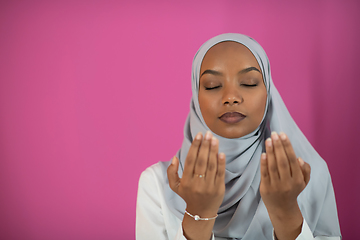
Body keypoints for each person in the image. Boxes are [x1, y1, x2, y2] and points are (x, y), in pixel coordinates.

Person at [136, 33, 341, 240]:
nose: (231, 97)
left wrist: (287, 214)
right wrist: (199, 214)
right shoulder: (157, 185)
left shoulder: (307, 176)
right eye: (212, 86)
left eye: (249, 83)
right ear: (196, 97)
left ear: (268, 91)